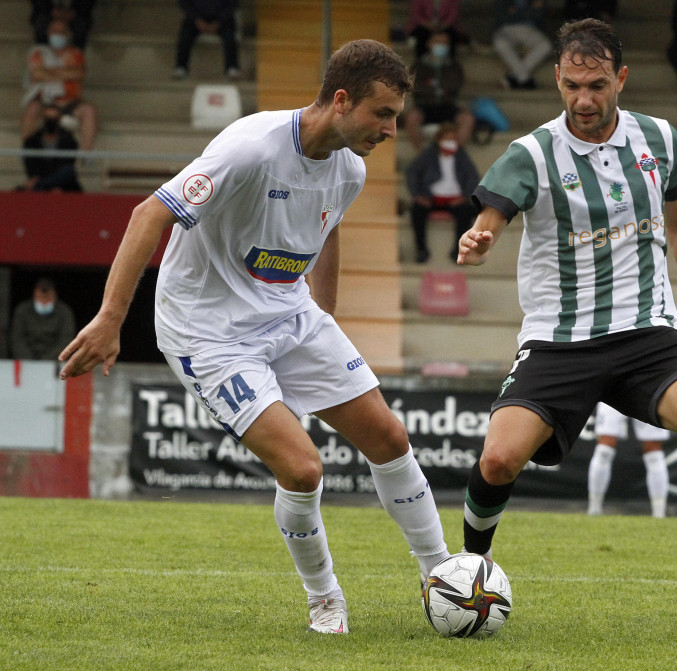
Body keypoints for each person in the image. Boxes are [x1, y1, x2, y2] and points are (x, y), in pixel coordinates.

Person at [58, 39, 449, 634]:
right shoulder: (250, 147)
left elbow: (328, 231)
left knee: (390, 437)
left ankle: (443, 575)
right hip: (208, 331)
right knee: (303, 469)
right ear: (341, 100)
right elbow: (148, 215)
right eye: (383, 113)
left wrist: (327, 320)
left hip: (290, 315)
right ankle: (325, 598)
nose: (393, 128)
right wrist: (111, 317)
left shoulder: (349, 166)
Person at [456, 18, 677, 610]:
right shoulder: (534, 153)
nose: (583, 99)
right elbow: (489, 217)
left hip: (647, 329)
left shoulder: (662, 140)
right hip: (559, 339)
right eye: (571, 85)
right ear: (557, 79)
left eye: (596, 85)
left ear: (621, 78)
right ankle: (471, 569)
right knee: (497, 458)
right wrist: (480, 238)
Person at [588, 281, 677, 518]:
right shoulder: (612, 291)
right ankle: (594, 509)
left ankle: (659, 514)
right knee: (605, 446)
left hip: (648, 378)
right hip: (610, 376)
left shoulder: (662, 295)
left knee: (653, 449)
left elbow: (673, 333)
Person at [406, 122, 480, 263]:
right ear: (439, 140)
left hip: (455, 199)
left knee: (467, 212)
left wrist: (464, 196)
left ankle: (459, 250)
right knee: (417, 211)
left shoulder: (461, 156)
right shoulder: (429, 155)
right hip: (431, 198)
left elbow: (472, 176)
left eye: (453, 139)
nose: (450, 143)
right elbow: (412, 172)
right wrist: (417, 195)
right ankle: (421, 249)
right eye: (447, 139)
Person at [22, 18, 98, 150]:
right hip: (45, 101)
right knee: (31, 108)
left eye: (62, 31)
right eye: (55, 31)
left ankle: (87, 153)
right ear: (48, 33)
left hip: (70, 102)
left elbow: (79, 74)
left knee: (89, 110)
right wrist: (65, 73)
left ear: (68, 34)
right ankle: (28, 152)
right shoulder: (39, 53)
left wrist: (49, 72)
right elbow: (37, 74)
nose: (58, 34)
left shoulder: (76, 54)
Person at [404, 29, 476, 153]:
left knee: (468, 119)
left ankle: (454, 155)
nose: (441, 46)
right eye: (438, 42)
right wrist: (437, 87)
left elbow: (455, 85)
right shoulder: (419, 65)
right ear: (429, 44)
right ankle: (423, 156)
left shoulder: (454, 65)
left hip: (447, 106)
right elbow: (415, 86)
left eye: (444, 43)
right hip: (425, 106)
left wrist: (432, 85)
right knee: (411, 118)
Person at [10, 277, 76, 361]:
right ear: (34, 294)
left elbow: (65, 340)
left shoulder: (64, 312)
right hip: (26, 362)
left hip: (55, 362)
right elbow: (17, 339)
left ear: (55, 295)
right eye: (41, 297)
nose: (44, 302)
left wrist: (47, 360)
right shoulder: (22, 310)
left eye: (47, 298)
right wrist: (29, 361)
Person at [21, 103, 82, 192]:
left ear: (59, 120)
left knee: (68, 171)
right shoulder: (31, 142)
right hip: (40, 181)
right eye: (48, 119)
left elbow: (66, 166)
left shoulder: (69, 141)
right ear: (42, 119)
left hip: (64, 185)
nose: (51, 122)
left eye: (54, 119)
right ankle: (41, 186)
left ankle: (40, 185)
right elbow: (31, 167)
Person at [173, 0, 241, 80]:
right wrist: (197, 19)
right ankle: (181, 67)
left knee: (230, 37)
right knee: (185, 36)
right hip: (196, 19)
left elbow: (233, 4)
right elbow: (184, 3)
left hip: (223, 20)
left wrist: (219, 22)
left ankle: (232, 67)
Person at [493, 0, 553, 90]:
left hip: (530, 29)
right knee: (499, 43)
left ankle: (512, 77)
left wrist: (515, 13)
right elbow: (502, 15)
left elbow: (538, 15)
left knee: (545, 46)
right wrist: (529, 11)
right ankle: (524, 79)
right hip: (506, 28)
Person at [30, 0, 95, 49]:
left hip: (78, 12)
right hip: (46, 11)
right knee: (41, 23)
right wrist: (49, 10)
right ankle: (43, 55)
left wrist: (75, 11)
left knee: (81, 26)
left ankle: (74, 57)